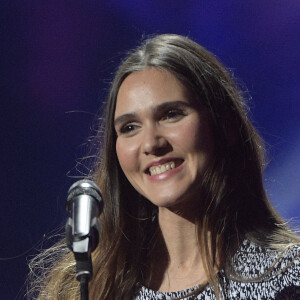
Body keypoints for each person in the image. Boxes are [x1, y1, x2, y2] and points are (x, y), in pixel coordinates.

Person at [27, 34, 300, 300]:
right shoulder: (82, 286)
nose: (151, 143)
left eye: (171, 114)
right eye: (130, 127)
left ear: (224, 124)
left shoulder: (289, 277)